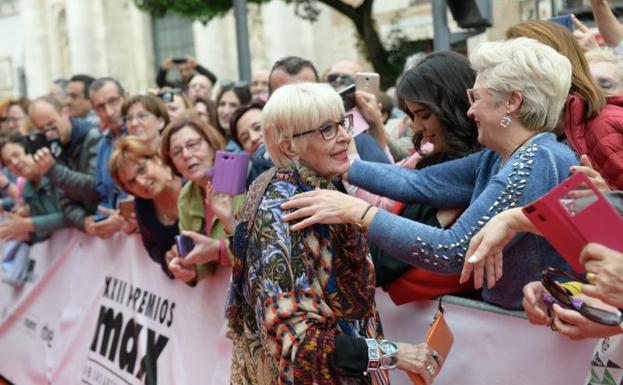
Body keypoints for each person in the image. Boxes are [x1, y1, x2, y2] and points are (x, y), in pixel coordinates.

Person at [281, 38, 579, 310]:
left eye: (476, 96)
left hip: (537, 332)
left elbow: (452, 250)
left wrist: (359, 212)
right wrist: (342, 164)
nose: (470, 110)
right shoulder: (502, 154)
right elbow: (421, 182)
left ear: (512, 102)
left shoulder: (535, 160)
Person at [226, 82, 440, 385]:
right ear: (288, 146)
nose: (344, 136)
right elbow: (301, 343)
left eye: (343, 123)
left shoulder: (306, 186)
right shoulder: (285, 211)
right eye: (327, 129)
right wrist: (394, 354)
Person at [363, 51, 482, 303]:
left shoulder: (485, 171)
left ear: (454, 107)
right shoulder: (434, 160)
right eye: (412, 115)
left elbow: (384, 265)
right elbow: (380, 259)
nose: (417, 127)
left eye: (424, 115)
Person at [507, 20, 623, 190]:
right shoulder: (549, 129)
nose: (507, 80)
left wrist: (611, 197)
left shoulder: (604, 124)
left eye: (516, 68)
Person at [160, 115, 243, 284]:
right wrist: (189, 269)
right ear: (172, 163)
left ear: (211, 144)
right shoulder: (187, 195)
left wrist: (218, 250)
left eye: (192, 145)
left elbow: (257, 248)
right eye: (176, 152)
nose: (186, 154)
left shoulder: (239, 172)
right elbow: (203, 261)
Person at [109, 135, 179, 278]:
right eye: (131, 182)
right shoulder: (142, 205)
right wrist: (167, 258)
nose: (141, 182)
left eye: (141, 170)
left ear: (155, 159)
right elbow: (153, 249)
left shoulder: (187, 177)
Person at [28, 95, 101, 231]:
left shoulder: (93, 136)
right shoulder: (53, 146)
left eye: (51, 124)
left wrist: (53, 171)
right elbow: (65, 202)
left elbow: (96, 187)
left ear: (65, 113)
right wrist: (84, 221)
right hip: (91, 231)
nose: (49, 132)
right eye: (42, 129)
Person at [0, 133, 66, 242]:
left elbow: (70, 217)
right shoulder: (27, 188)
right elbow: (44, 233)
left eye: (16, 155)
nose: (15, 163)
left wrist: (27, 224)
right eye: (8, 162)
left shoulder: (55, 172)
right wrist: (26, 236)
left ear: (30, 150)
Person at [88, 77, 129, 238]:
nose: (109, 112)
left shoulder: (142, 135)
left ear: (125, 97)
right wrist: (100, 222)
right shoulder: (103, 145)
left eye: (113, 101)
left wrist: (123, 217)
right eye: (100, 107)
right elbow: (103, 194)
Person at [215, 81, 252, 152]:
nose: (226, 111)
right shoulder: (211, 141)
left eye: (233, 105)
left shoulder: (251, 143)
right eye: (222, 104)